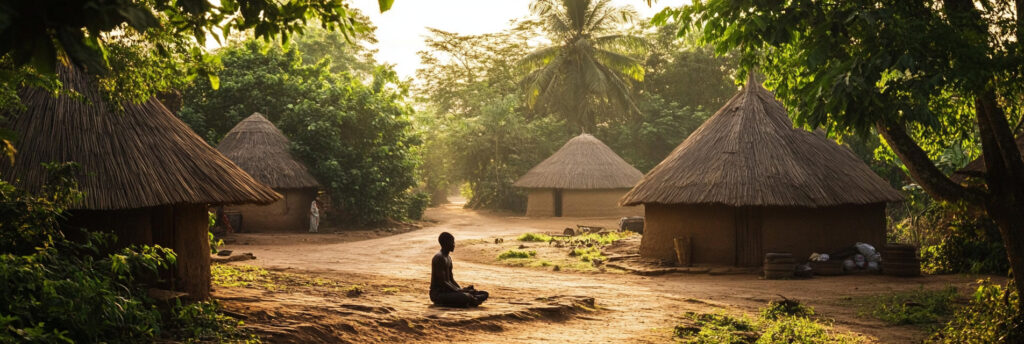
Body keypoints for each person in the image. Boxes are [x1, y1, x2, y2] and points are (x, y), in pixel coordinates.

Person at [430, 232, 488, 307]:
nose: (454, 245)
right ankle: (471, 300)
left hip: (449, 292)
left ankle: (471, 300)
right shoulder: (439, 258)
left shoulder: (448, 258)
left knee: (484, 293)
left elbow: (451, 279)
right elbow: (443, 282)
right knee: (466, 296)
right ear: (445, 243)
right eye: (452, 242)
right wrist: (459, 291)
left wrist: (460, 289)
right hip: (439, 294)